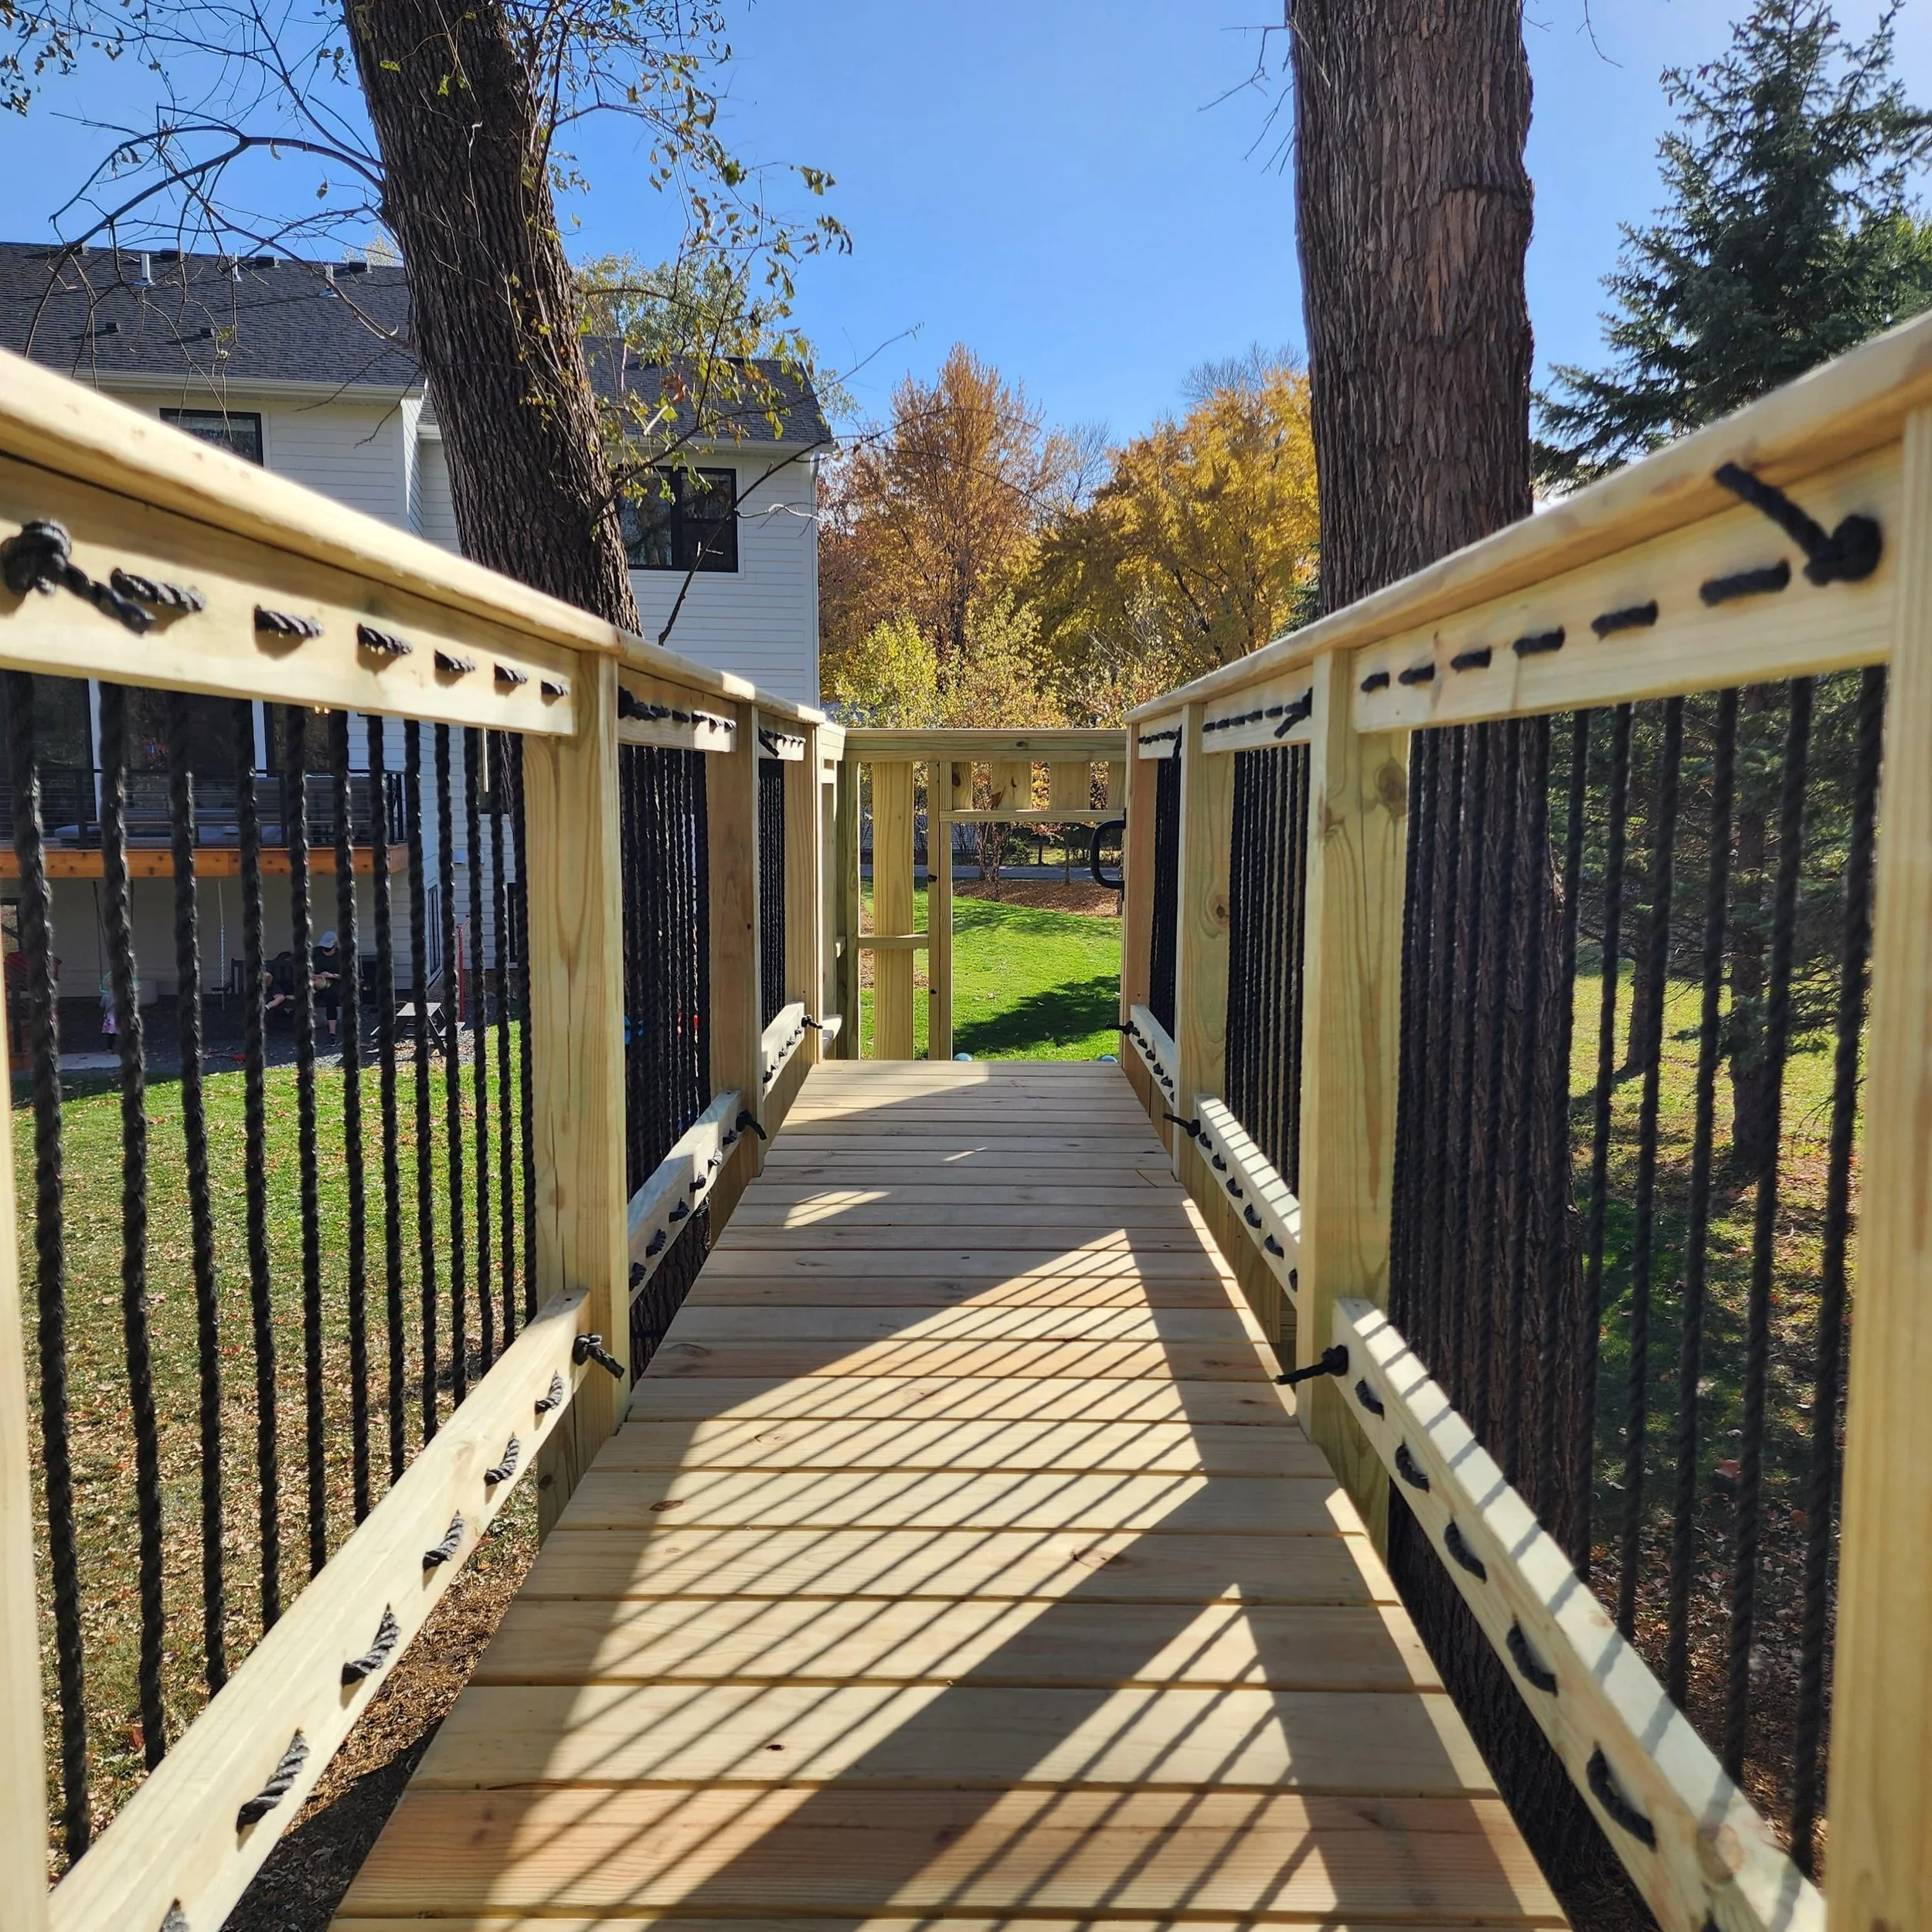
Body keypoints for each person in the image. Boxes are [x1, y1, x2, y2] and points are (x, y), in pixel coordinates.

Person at [314, 928, 342, 1044]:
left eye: (329, 949)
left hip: (334, 982)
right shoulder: (315, 953)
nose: (326, 951)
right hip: (316, 981)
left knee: (330, 997)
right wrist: (316, 975)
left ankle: (332, 1033)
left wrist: (332, 975)